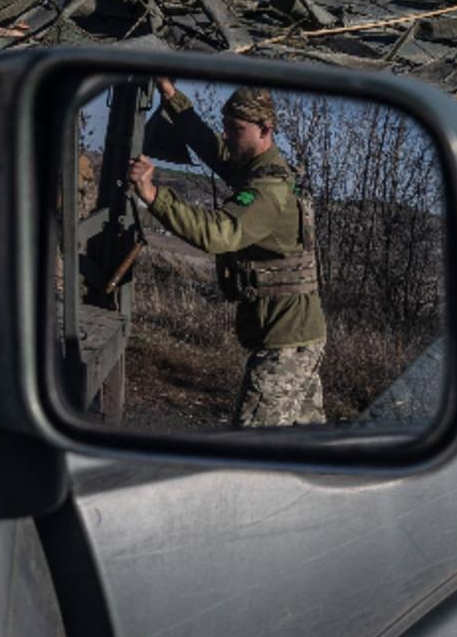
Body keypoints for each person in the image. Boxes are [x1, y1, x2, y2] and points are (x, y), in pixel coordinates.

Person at [126, 78, 328, 427]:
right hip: (297, 335)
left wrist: (154, 196)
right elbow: (211, 147)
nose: (229, 136)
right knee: (302, 447)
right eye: (227, 127)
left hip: (285, 344)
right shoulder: (261, 166)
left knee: (249, 450)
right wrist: (172, 96)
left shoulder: (268, 191)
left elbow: (218, 233)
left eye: (236, 129)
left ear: (265, 129)